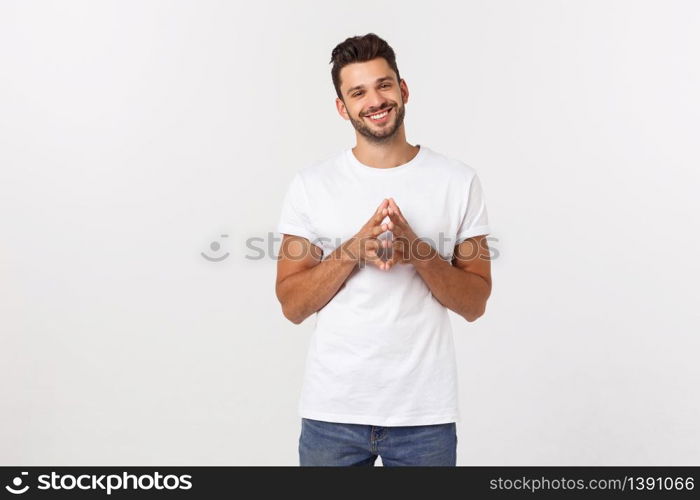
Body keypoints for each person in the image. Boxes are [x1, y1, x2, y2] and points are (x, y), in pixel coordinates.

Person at [275, 33, 493, 466]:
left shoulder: (458, 181)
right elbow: (292, 305)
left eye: (383, 85)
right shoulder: (311, 185)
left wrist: (418, 252)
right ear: (342, 107)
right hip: (331, 414)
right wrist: (353, 250)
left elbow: (475, 303)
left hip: (424, 417)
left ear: (403, 89)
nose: (374, 100)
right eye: (358, 92)